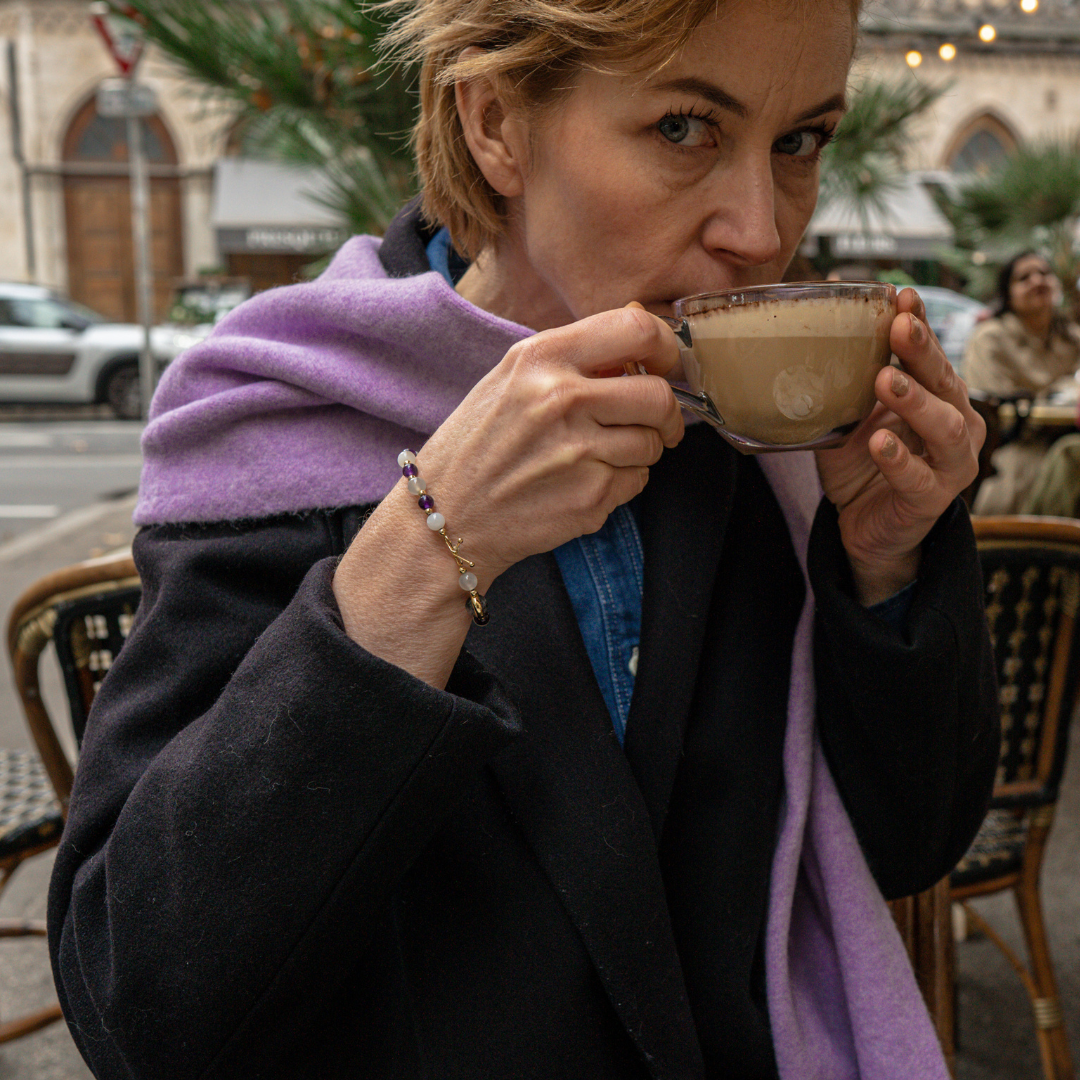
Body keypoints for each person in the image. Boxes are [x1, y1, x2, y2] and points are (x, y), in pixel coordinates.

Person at [48, 1, 998, 1078]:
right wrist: (431, 545)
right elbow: (137, 995)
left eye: (799, 142)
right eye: (685, 128)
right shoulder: (282, 424)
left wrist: (887, 562)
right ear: (496, 122)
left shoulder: (766, 456)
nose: (763, 230)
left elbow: (911, 847)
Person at [964, 250, 1080, 515]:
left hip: (1065, 435)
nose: (1038, 281)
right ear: (1008, 293)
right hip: (1016, 450)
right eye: (1024, 277)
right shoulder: (990, 338)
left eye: (1044, 274)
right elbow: (991, 410)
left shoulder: (1071, 337)